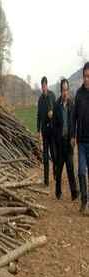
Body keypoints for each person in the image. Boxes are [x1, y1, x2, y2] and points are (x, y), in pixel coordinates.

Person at [53, 79, 78, 200]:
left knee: (70, 169)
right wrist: (57, 139)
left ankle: (74, 193)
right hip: (60, 143)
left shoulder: (72, 105)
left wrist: (73, 136)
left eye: (67, 89)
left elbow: (74, 123)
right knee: (59, 170)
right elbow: (54, 125)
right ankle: (58, 192)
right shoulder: (56, 105)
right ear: (60, 91)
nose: (65, 92)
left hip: (69, 143)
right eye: (63, 90)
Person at [71, 62, 89, 214]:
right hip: (82, 141)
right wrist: (72, 135)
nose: (87, 79)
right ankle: (84, 201)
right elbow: (74, 117)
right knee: (81, 171)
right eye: (85, 76)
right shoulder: (79, 94)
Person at [37, 76, 57, 186]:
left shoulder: (52, 96)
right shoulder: (40, 100)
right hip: (44, 131)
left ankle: (55, 171)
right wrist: (38, 130)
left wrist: (52, 114)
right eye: (42, 86)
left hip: (52, 131)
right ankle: (46, 181)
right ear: (41, 86)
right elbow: (38, 115)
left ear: (47, 85)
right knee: (45, 157)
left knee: (54, 154)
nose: (43, 88)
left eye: (45, 85)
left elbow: (57, 111)